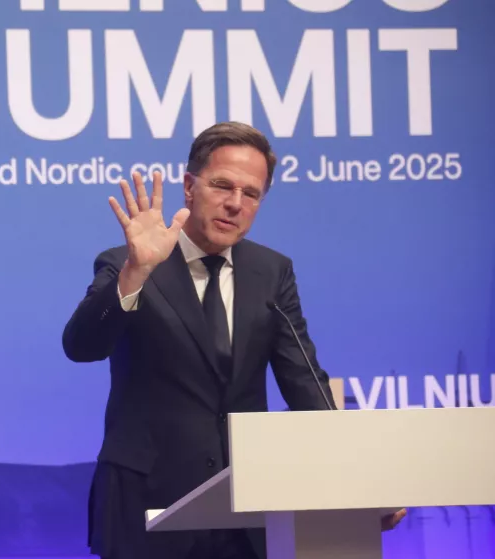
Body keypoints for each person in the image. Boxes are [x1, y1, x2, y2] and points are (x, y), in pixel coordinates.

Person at [62, 122, 404, 559]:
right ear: (189, 186)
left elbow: (305, 383)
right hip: (144, 506)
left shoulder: (271, 272)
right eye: (222, 185)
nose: (235, 204)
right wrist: (136, 273)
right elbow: (82, 346)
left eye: (252, 194)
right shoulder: (127, 263)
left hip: (245, 509)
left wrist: (361, 485)